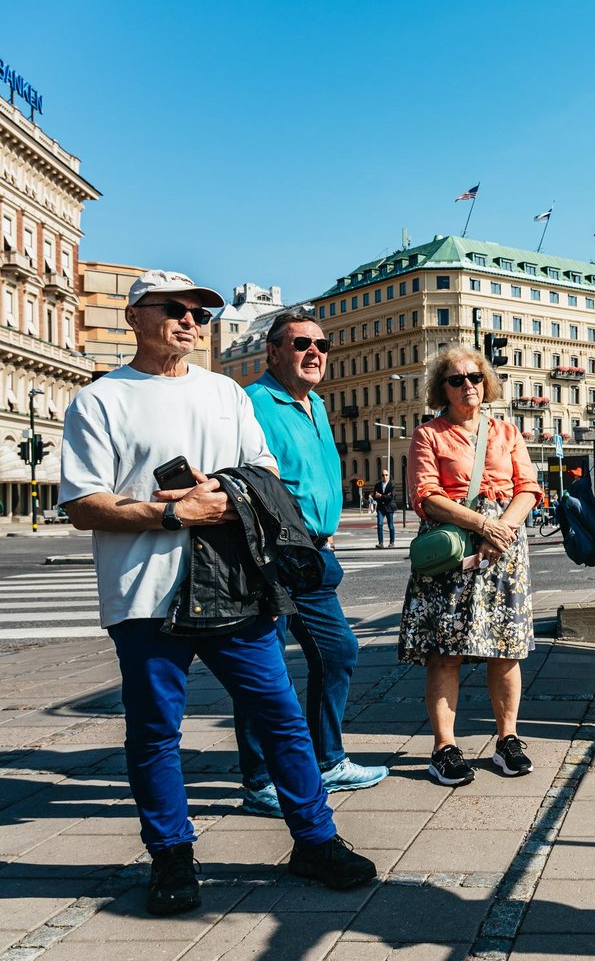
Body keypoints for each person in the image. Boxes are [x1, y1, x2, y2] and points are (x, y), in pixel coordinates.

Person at [58, 270, 374, 917]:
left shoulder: (227, 393)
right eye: (173, 309)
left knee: (281, 716)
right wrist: (171, 515)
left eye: (201, 312)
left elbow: (265, 474)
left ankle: (315, 839)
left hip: (235, 584)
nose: (190, 321)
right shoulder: (101, 400)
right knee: (154, 732)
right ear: (134, 318)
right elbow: (84, 505)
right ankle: (172, 856)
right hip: (147, 592)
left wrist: (224, 495)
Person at [234, 311, 389, 818]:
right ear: (272, 351)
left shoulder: (317, 403)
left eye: (322, 344)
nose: (315, 352)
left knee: (338, 651)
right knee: (266, 668)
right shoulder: (253, 403)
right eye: (301, 343)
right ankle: (259, 781)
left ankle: (326, 760)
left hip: (315, 554)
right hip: (271, 555)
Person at [399, 346, 542, 785]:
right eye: (457, 379)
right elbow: (425, 495)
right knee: (446, 652)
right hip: (455, 546)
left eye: (475, 378)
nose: (468, 386)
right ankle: (444, 747)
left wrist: (503, 530)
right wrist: (483, 525)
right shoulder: (429, 435)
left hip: (504, 546)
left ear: (487, 383)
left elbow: (528, 487)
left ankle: (507, 740)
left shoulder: (506, 431)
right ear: (442, 387)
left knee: (506, 648)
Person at [372, 468, 398, 547]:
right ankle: (381, 543)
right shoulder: (377, 485)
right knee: (379, 524)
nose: (384, 477)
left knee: (390, 525)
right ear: (381, 476)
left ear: (388, 476)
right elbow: (374, 496)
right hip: (380, 508)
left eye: (386, 475)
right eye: (383, 475)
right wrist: (377, 496)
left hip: (389, 507)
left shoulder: (392, 484)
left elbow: (391, 497)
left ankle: (392, 542)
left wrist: (381, 496)